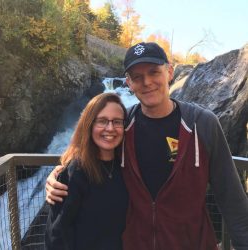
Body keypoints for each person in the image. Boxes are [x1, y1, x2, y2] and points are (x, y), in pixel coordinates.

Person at [46, 42, 248, 250]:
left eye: (154, 72)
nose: (147, 82)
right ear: (129, 83)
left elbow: (232, 199)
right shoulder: (123, 126)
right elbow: (91, 158)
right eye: (137, 77)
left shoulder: (203, 124)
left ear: (169, 72)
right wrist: (59, 176)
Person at [45, 93, 128, 250]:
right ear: (89, 125)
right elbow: (56, 235)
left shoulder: (125, 166)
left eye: (117, 122)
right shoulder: (76, 171)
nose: (110, 128)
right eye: (102, 121)